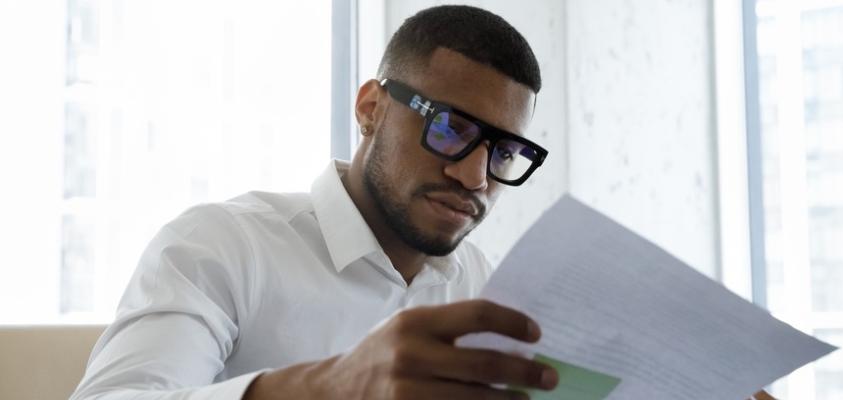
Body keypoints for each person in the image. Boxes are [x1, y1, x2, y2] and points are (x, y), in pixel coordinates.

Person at [71, 5, 555, 400]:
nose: (474, 177)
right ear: (371, 109)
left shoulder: (478, 282)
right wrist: (329, 387)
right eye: (449, 129)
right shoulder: (221, 246)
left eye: (505, 153)